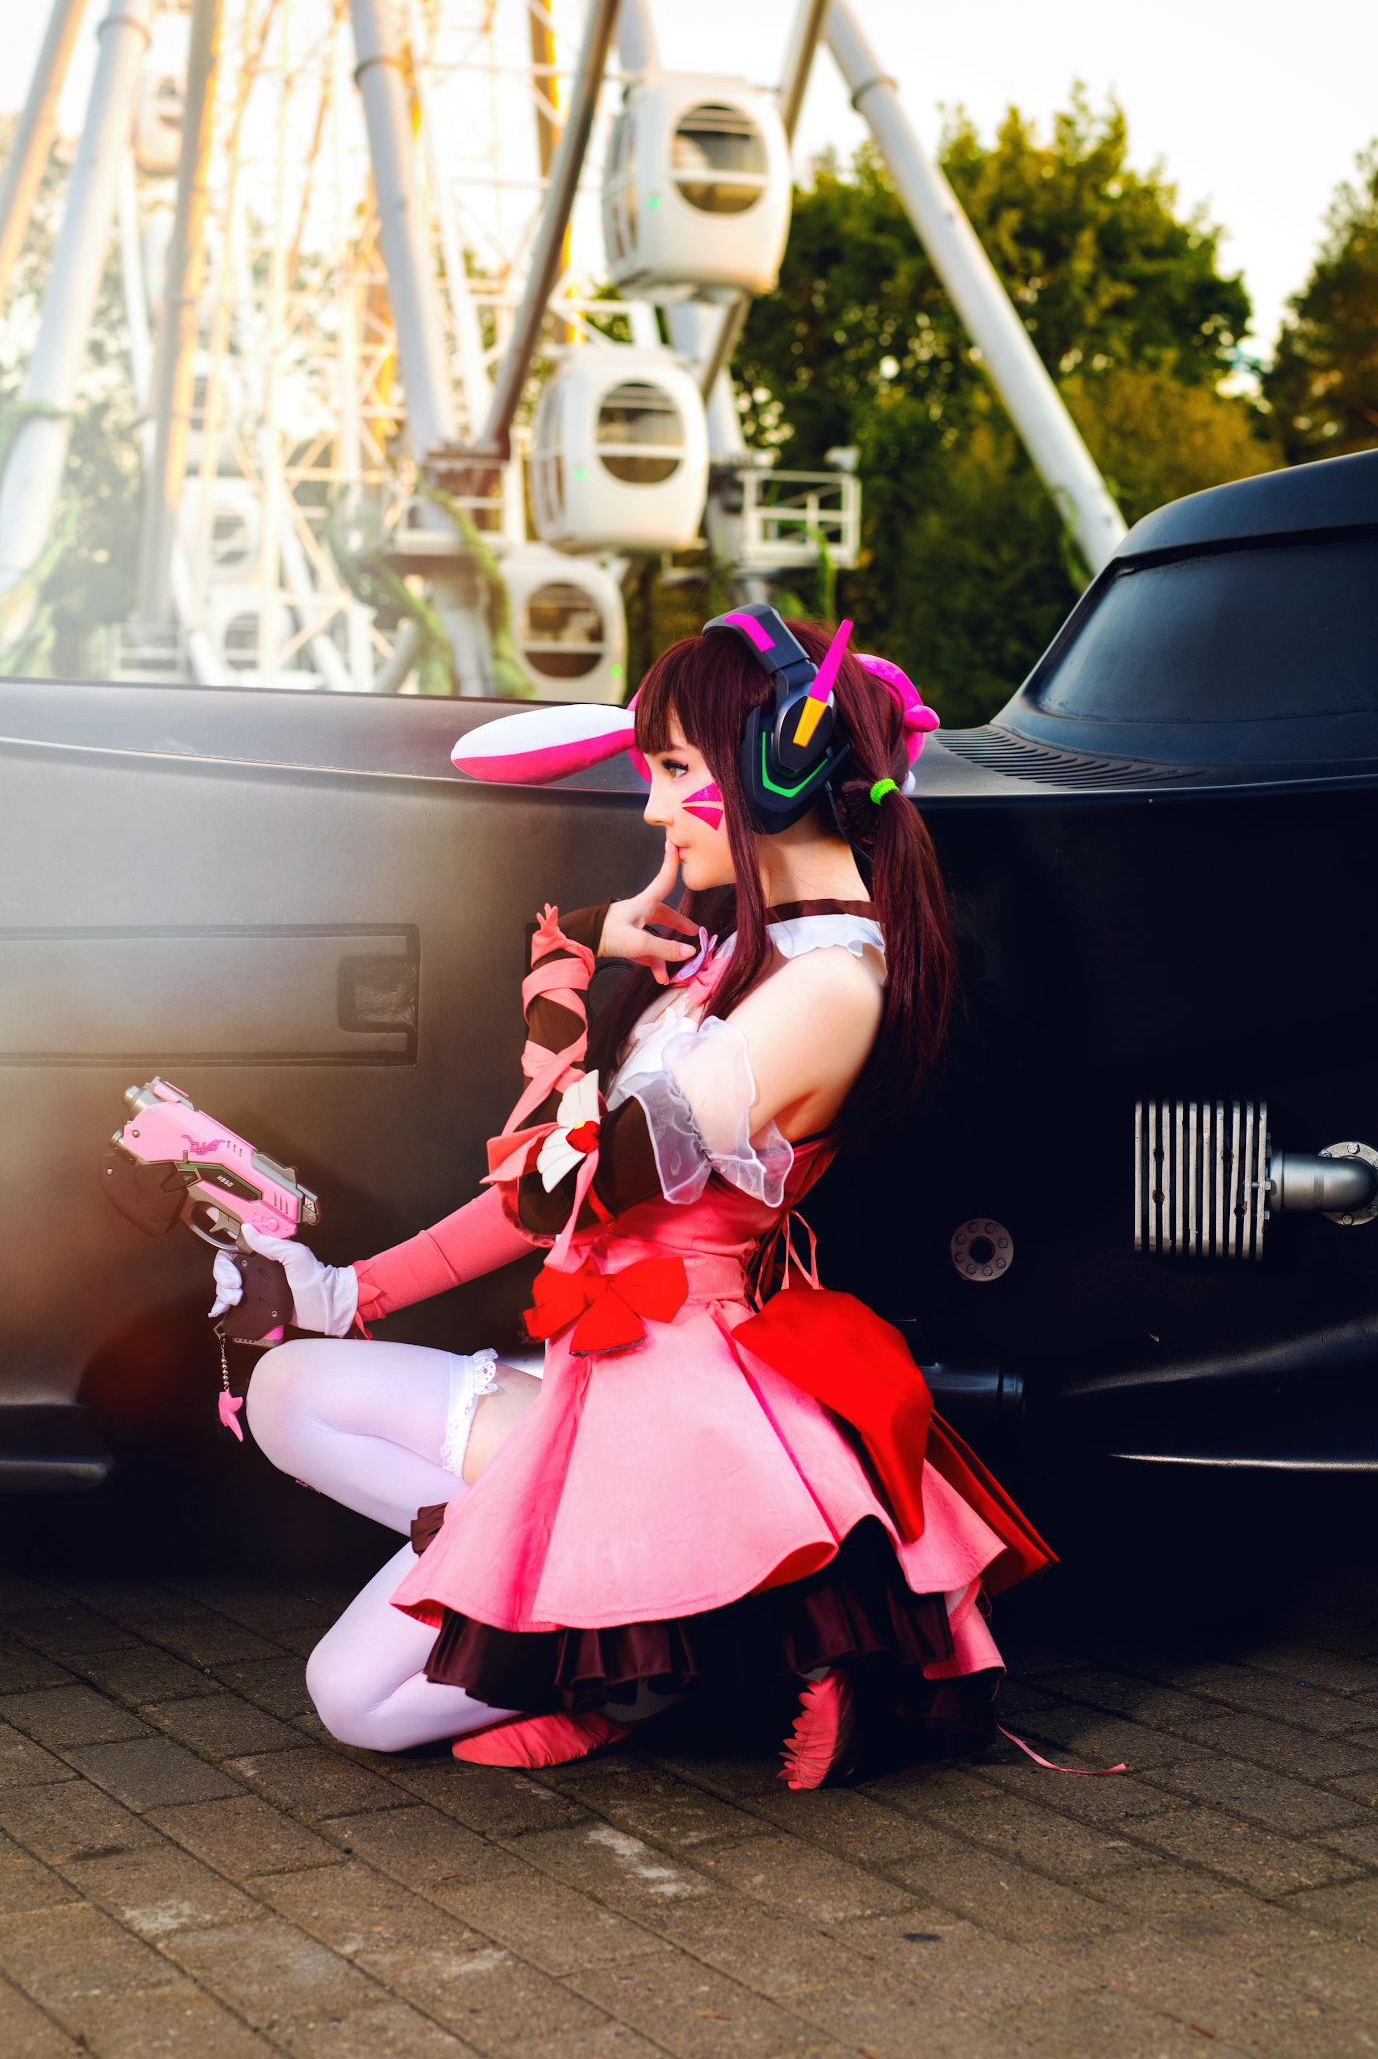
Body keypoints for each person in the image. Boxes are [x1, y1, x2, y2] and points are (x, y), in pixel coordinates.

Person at [218, 609, 1052, 1787]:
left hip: (666, 1403)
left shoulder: (826, 988)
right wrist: (345, 1294)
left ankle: (606, 1639)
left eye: (672, 770)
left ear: (776, 769)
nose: (654, 810)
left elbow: (572, 1183)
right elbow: (544, 1189)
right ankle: (577, 1616)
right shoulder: (737, 958)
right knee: (287, 1388)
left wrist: (563, 967)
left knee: (350, 1701)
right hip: (599, 1365)